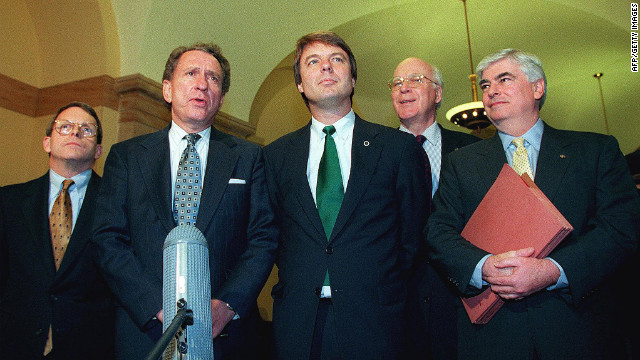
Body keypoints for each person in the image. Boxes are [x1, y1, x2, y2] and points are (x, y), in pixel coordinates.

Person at [426, 48, 640, 359]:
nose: (491, 91)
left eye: (504, 79)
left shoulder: (595, 151)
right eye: (485, 85)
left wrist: (554, 270)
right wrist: (483, 267)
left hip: (580, 331)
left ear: (537, 88)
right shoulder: (460, 163)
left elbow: (621, 227)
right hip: (493, 337)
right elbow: (438, 231)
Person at [92, 43, 279, 359]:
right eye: (191, 73)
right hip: (144, 332)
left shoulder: (248, 158)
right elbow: (108, 239)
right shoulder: (127, 157)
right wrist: (155, 304)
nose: (203, 84)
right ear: (167, 89)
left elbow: (263, 238)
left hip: (224, 335)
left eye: (214, 78)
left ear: (220, 98)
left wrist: (228, 304)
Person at [263, 31, 429, 360]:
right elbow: (271, 236)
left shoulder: (398, 149)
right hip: (300, 325)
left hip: (378, 322)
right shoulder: (274, 156)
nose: (326, 67)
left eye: (336, 60)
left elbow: (413, 237)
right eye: (313, 62)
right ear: (299, 84)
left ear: (352, 79)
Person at [0, 102, 115, 359]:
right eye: (64, 127)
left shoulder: (118, 203)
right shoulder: (9, 201)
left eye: (87, 129)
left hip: (90, 348)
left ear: (98, 150)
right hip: (15, 345)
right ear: (47, 142)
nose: (75, 133)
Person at [390, 57, 479, 359]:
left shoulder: (472, 151)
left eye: (415, 80)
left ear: (438, 94)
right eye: (397, 83)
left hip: (461, 301)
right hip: (397, 303)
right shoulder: (374, 154)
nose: (404, 88)